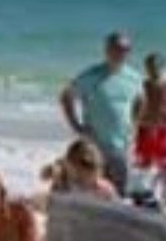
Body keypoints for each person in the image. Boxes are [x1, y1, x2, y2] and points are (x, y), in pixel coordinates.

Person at [58, 31, 136, 194]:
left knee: (117, 193)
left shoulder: (133, 77)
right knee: (93, 192)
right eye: (115, 49)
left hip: (120, 145)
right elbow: (66, 96)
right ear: (106, 50)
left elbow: (141, 101)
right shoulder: (92, 75)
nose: (119, 53)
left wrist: (134, 126)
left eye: (124, 50)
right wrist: (76, 125)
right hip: (95, 147)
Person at [131, 52, 166, 209]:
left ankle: (165, 194)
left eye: (155, 65)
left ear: (162, 66)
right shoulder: (141, 85)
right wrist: (134, 124)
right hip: (145, 128)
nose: (153, 69)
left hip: (163, 129)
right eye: (149, 66)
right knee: (143, 163)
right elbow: (135, 107)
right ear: (146, 68)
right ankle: (147, 193)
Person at [45, 138, 120, 200]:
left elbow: (117, 210)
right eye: (81, 180)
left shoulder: (104, 189)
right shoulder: (62, 187)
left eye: (96, 179)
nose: (95, 183)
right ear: (71, 168)